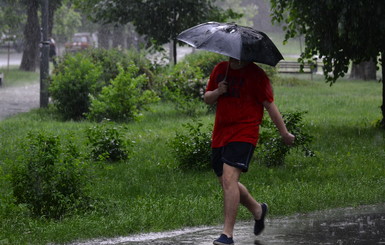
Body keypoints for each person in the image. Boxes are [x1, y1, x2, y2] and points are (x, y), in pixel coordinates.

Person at [204, 57, 295, 245]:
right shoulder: (221, 69)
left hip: (244, 133)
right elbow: (207, 99)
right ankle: (257, 210)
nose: (233, 56)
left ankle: (227, 234)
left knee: (229, 180)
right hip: (221, 134)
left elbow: (269, 105)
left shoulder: (257, 75)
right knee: (227, 183)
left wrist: (284, 133)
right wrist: (218, 91)